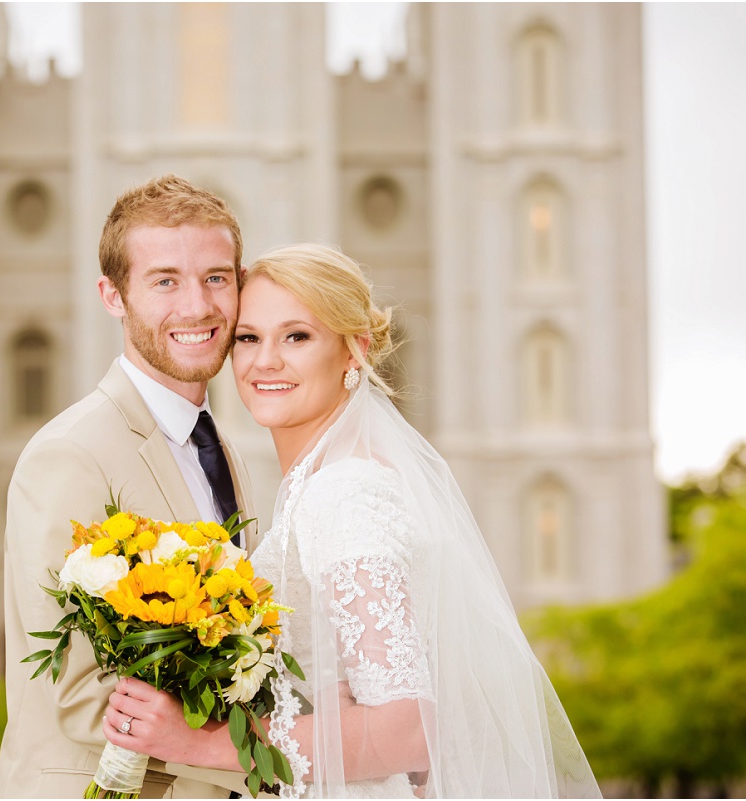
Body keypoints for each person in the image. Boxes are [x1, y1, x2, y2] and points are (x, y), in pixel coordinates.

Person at [101, 244, 601, 798]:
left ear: (353, 352)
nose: (266, 360)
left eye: (297, 336)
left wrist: (199, 743)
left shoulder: (344, 494)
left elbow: (408, 728)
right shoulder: (328, 482)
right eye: (249, 338)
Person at [0, 175, 257, 798]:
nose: (197, 306)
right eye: (165, 281)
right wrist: (269, 762)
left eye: (216, 277)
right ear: (113, 296)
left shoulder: (220, 448)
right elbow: (75, 691)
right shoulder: (70, 455)